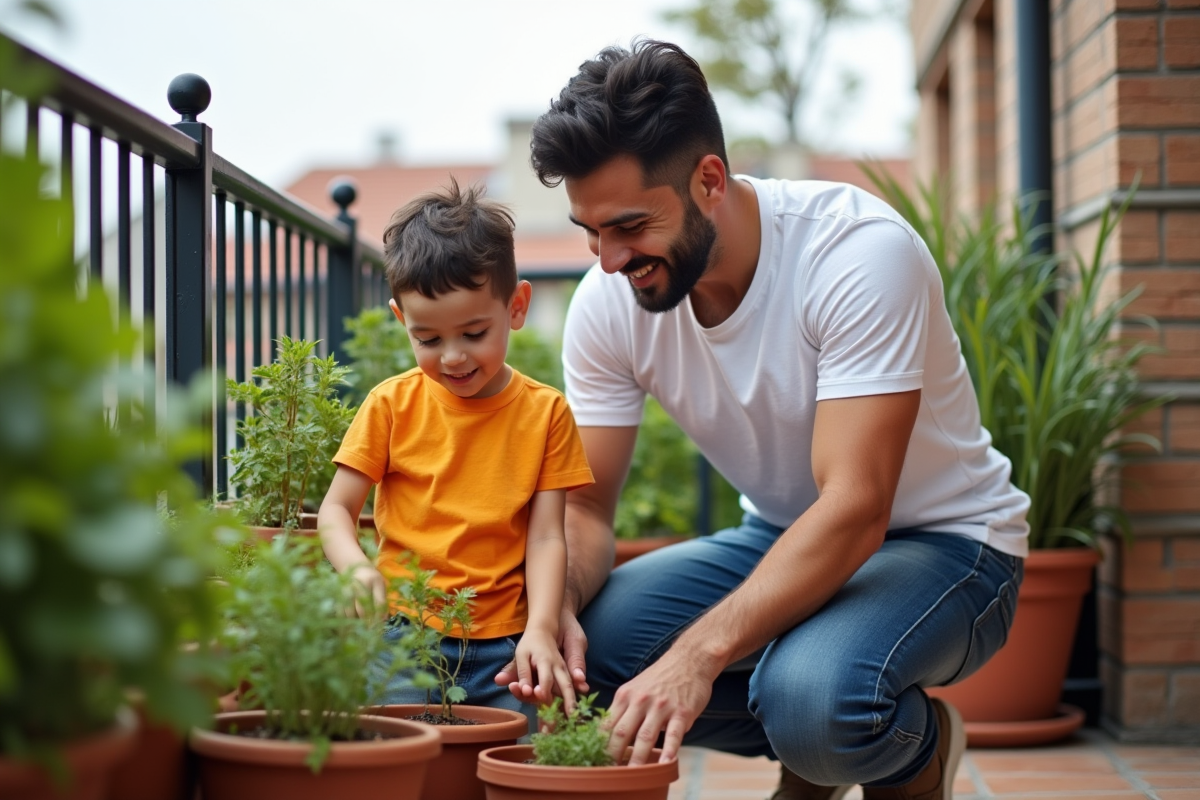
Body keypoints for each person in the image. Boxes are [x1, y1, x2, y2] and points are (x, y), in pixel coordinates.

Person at [495, 40, 1029, 799]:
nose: (608, 260)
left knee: (813, 700)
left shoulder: (855, 255)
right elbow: (584, 505)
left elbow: (855, 508)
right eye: (591, 232)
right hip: (780, 534)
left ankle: (906, 746)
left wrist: (697, 656)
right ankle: (815, 749)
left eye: (630, 227)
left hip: (950, 547)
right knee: (592, 660)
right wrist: (550, 619)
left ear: (709, 179)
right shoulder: (608, 302)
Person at [319, 180, 594, 717]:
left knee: (507, 764)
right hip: (400, 633)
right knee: (393, 759)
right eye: (428, 339)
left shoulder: (546, 414)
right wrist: (355, 568)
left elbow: (544, 537)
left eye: (473, 333)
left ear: (516, 307)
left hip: (505, 645)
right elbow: (336, 509)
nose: (452, 357)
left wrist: (541, 627)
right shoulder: (390, 405)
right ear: (402, 321)